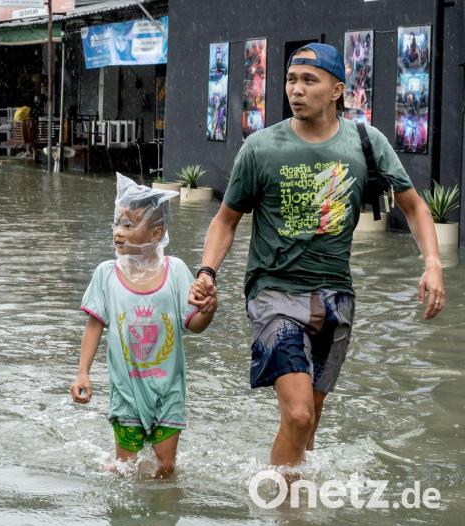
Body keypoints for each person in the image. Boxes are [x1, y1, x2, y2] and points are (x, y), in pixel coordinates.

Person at [189, 43, 445, 476]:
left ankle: (295, 495)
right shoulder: (261, 147)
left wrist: (433, 264)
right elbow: (225, 219)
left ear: (337, 90)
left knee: (309, 425)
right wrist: (207, 271)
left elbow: (414, 205)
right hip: (273, 292)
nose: (297, 89)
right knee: (299, 415)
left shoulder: (365, 142)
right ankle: (286, 515)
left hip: (335, 296)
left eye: (310, 80)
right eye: (291, 79)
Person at [71, 174, 217, 478]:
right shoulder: (106, 274)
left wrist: (208, 309)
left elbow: (194, 323)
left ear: (156, 232)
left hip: (169, 391)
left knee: (165, 469)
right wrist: (83, 372)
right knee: (128, 472)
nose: (118, 232)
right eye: (117, 223)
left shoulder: (175, 271)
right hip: (126, 393)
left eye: (128, 224)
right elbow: (95, 324)